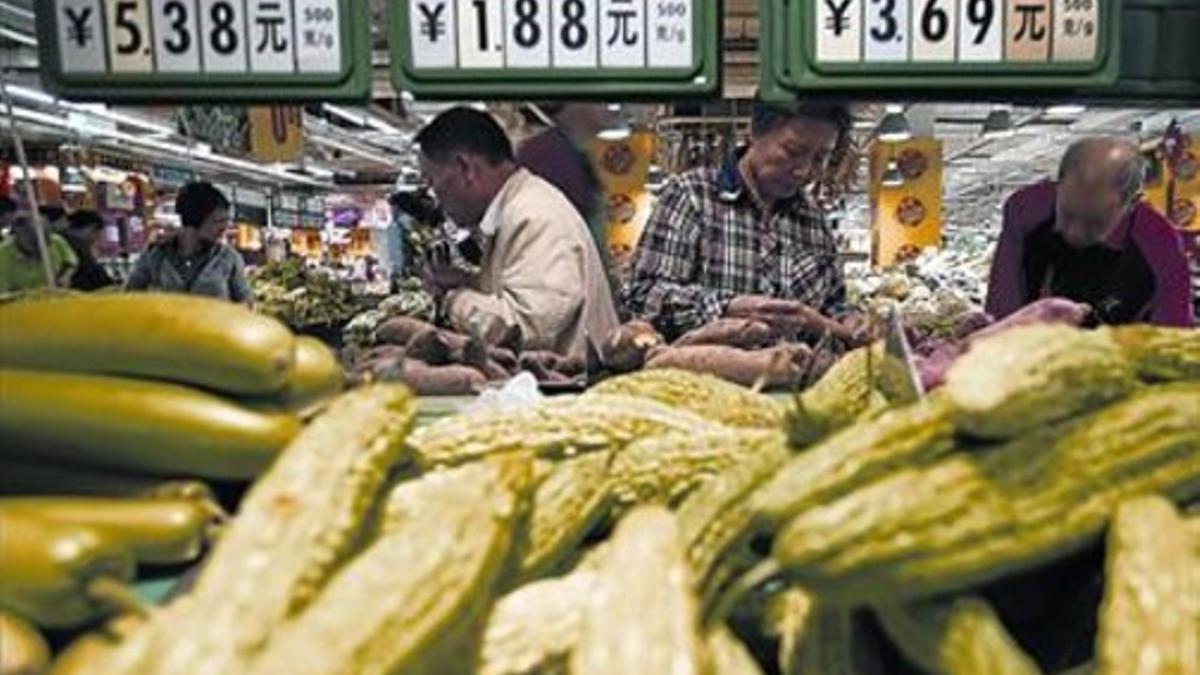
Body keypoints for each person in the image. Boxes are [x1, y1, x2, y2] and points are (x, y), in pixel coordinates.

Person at [623, 99, 864, 342]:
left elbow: (833, 303)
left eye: (820, 158)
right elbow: (643, 295)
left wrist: (849, 319)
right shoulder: (692, 196)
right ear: (754, 133)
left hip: (796, 375)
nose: (804, 171)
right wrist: (727, 307)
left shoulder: (814, 222)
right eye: (792, 152)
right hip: (700, 376)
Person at [415, 107, 619, 361]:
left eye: (432, 181)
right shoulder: (516, 210)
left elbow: (528, 327)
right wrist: (469, 283)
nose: (435, 196)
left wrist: (454, 299)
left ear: (465, 168)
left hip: (570, 392)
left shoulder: (534, 215)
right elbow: (524, 293)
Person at [986, 137, 1194, 327]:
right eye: (1067, 216)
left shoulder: (1160, 243)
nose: (1074, 232)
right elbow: (1003, 305)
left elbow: (1173, 337)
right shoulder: (1026, 209)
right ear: (1058, 185)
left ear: (1132, 203)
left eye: (1092, 222)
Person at [125, 181, 252, 304]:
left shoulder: (229, 258)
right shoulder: (155, 254)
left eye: (226, 221)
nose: (224, 227)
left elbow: (247, 303)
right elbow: (131, 296)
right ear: (194, 220)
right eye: (217, 221)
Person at [0, 212, 77, 293]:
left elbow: (71, 262)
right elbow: (4, 295)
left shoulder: (56, 241)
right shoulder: (3, 254)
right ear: (19, 234)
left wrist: (64, 277)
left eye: (47, 242)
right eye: (34, 243)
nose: (41, 249)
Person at [64, 210, 115, 291]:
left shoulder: (59, 241)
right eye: (99, 234)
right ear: (93, 229)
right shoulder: (80, 248)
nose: (98, 238)